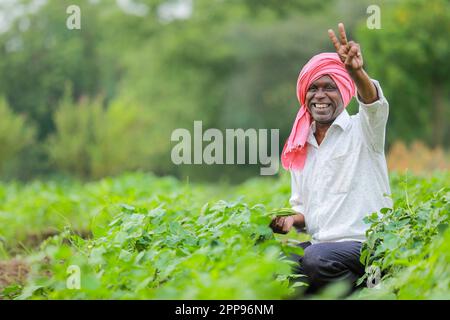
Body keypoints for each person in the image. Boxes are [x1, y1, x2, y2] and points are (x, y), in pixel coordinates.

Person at [270, 23, 393, 294]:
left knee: (316, 261)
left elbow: (372, 103)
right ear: (305, 95)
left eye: (330, 87)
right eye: (313, 88)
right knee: (274, 264)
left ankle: (372, 287)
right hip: (322, 247)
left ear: (344, 93)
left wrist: (356, 71)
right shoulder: (301, 145)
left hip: (365, 245)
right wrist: (290, 220)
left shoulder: (364, 129)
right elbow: (304, 208)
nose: (320, 96)